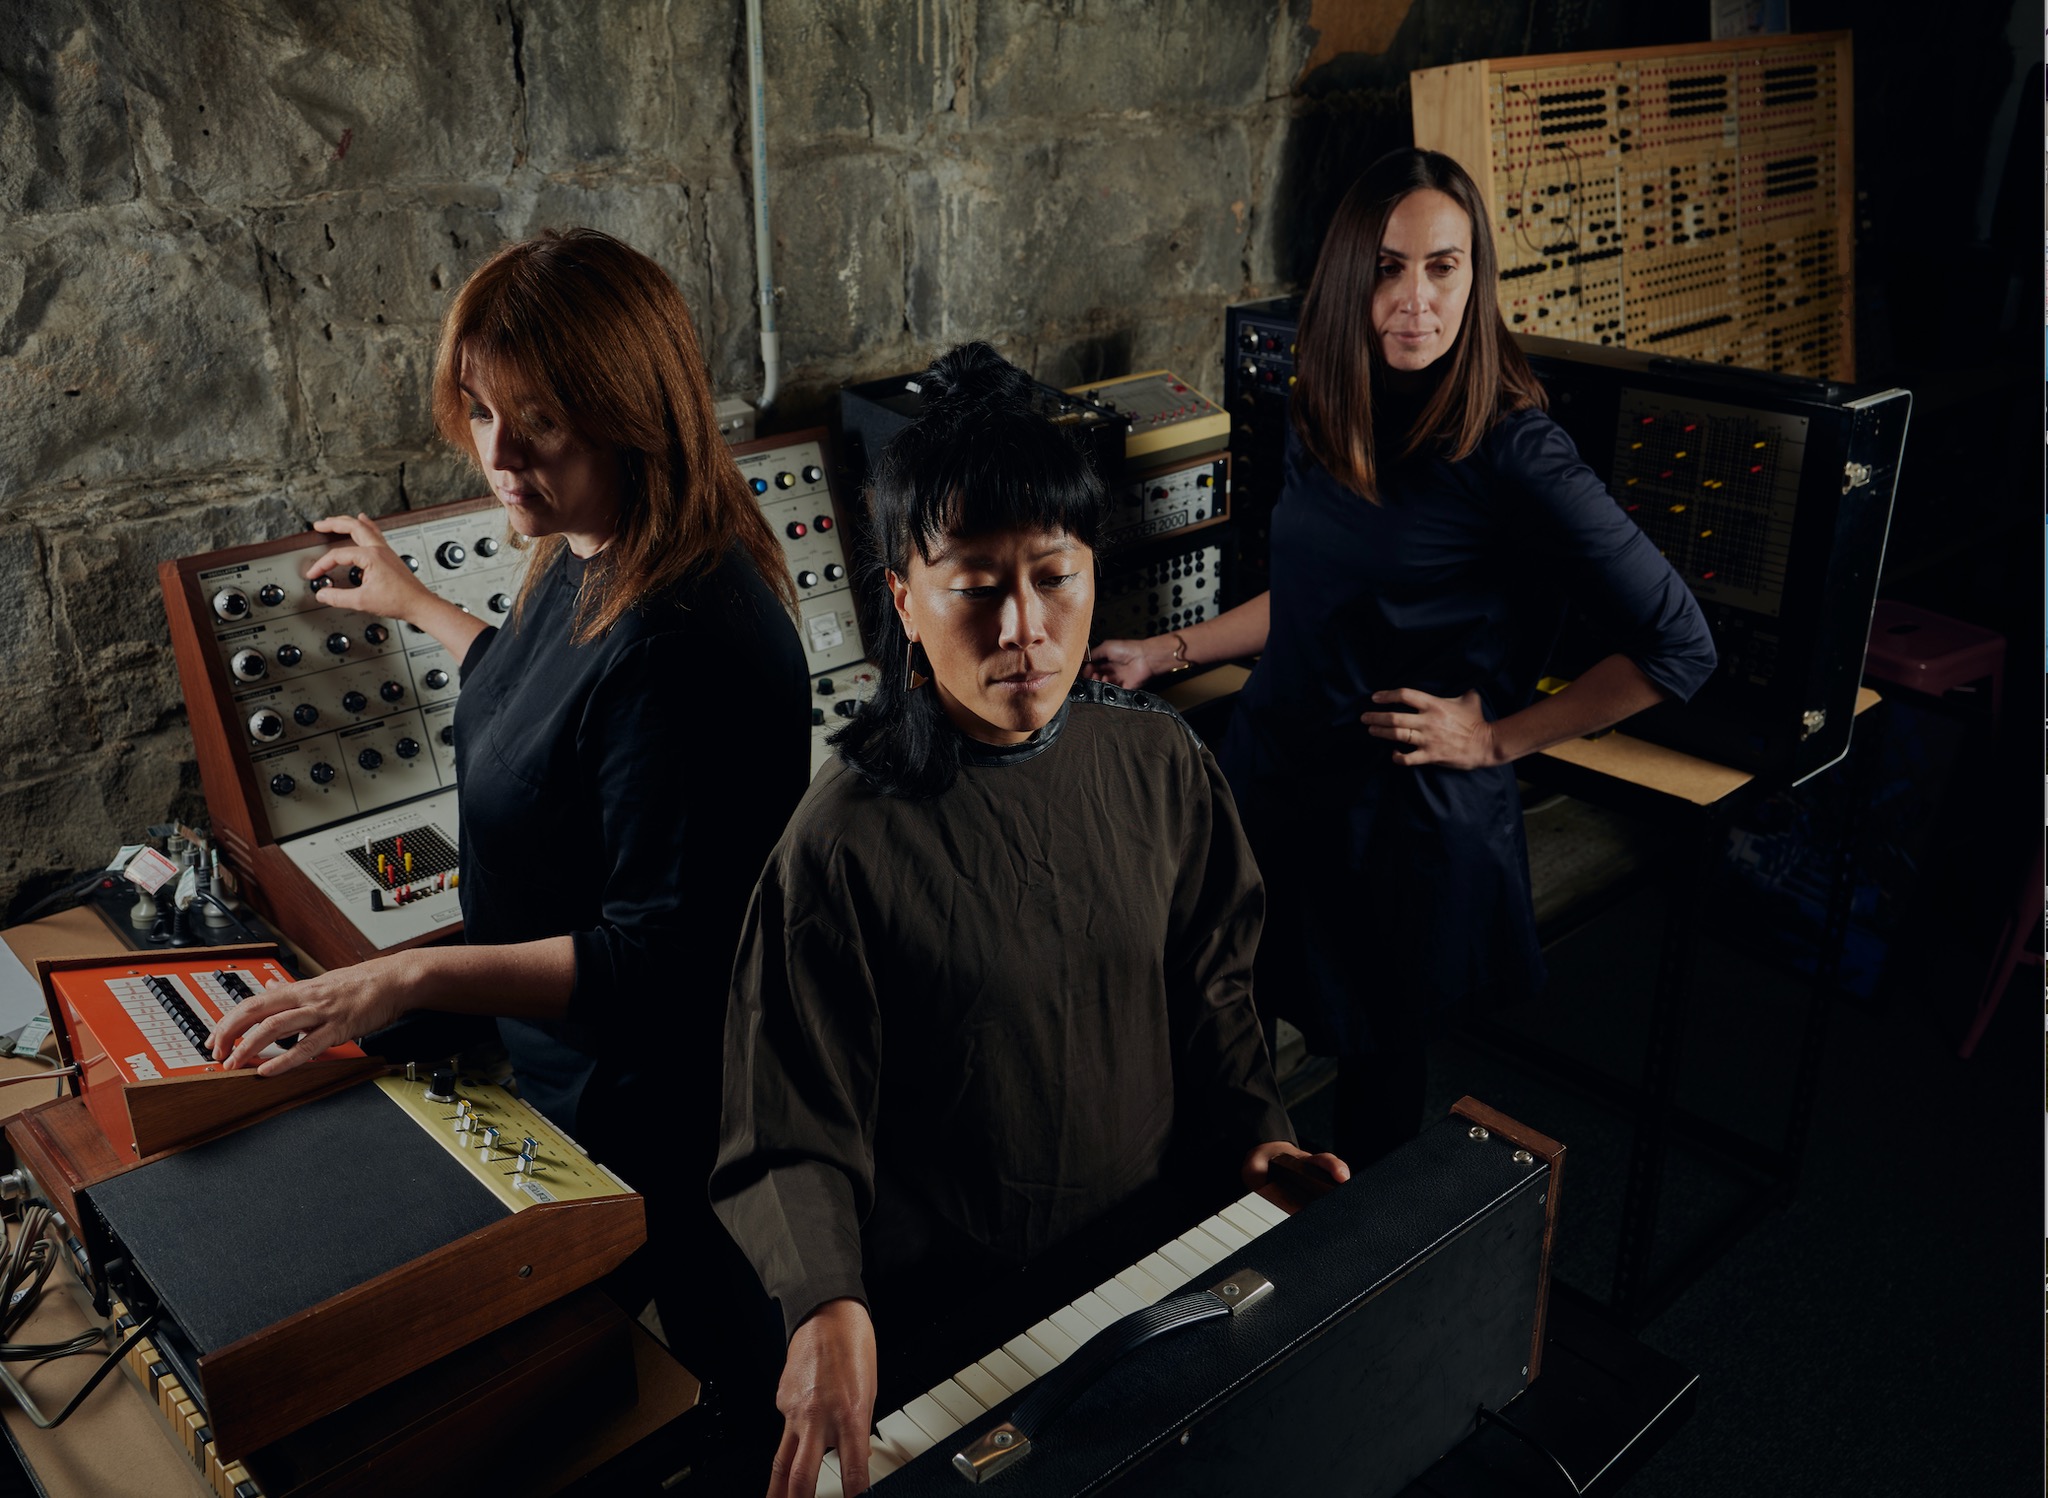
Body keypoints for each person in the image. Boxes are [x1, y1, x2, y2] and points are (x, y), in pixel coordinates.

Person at [709, 342, 1346, 1498]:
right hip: (953, 1311)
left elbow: (1213, 987)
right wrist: (824, 1301)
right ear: (903, 601)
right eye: (974, 586)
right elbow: (790, 1123)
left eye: (1053, 576)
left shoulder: (1157, 762)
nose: (1023, 625)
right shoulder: (839, 843)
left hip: (1149, 1258)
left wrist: (1255, 1130)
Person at [208, 228, 812, 1392]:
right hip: (563, 1066)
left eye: (538, 420)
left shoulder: (683, 641)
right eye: (483, 412)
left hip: (640, 1114)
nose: (498, 453)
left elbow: (656, 960)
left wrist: (406, 977)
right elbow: (547, 700)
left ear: (630, 411)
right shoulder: (598, 546)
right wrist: (417, 605)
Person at [1089, 148, 1716, 1164]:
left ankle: (1349, 1255)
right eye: (1387, 268)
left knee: (1371, 1107)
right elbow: (1318, 596)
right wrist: (1166, 650)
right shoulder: (1325, 405)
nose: (1415, 299)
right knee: (1217, 1043)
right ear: (1350, 275)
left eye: (1442, 266)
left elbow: (1680, 644)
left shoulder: (1516, 450)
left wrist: (1498, 738)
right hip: (1275, 780)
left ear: (1476, 278)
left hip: (1393, 826)